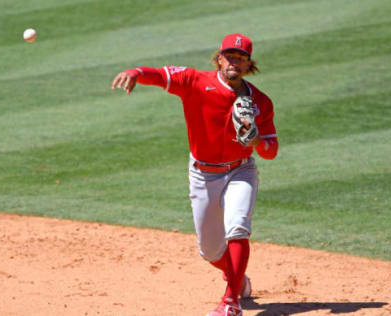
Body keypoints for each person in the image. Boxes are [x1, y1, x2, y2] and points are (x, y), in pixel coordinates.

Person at [111, 33, 278, 316]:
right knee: (210, 251)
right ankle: (238, 280)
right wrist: (136, 72)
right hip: (203, 175)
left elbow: (271, 149)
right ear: (219, 58)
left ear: (249, 64)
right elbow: (162, 75)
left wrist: (257, 142)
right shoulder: (195, 81)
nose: (234, 62)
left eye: (241, 58)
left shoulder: (260, 100)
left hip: (241, 170)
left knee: (237, 227)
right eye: (229, 56)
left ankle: (231, 303)